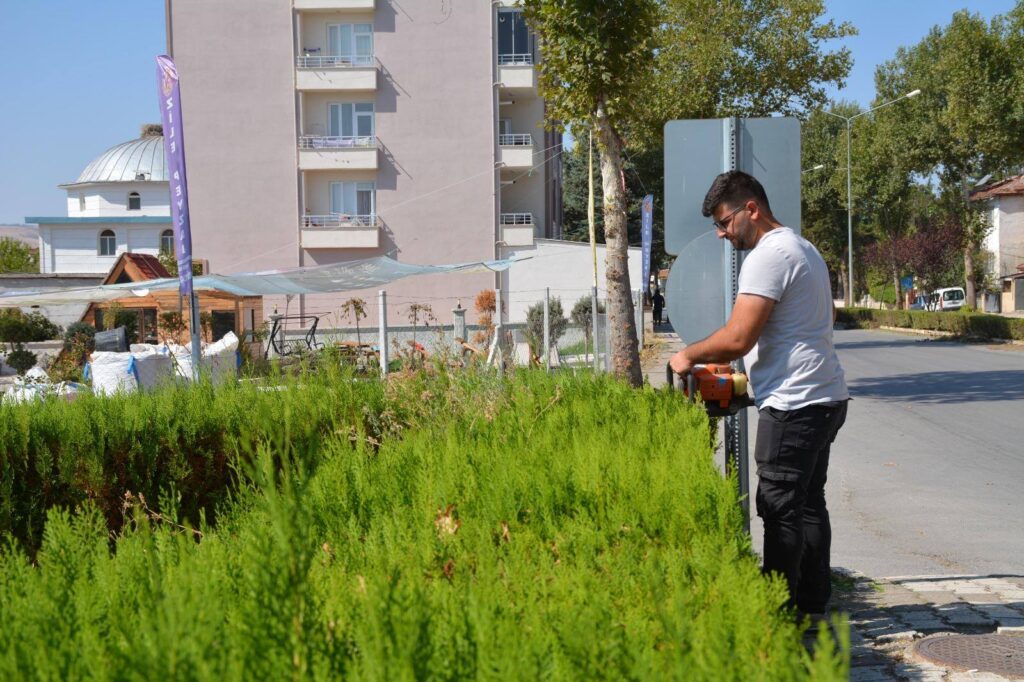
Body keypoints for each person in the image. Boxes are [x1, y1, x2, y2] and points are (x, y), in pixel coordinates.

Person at [669, 170, 849, 618]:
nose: (722, 233)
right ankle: (811, 605)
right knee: (808, 503)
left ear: (752, 209)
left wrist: (687, 356)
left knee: (779, 508)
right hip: (825, 396)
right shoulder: (803, 247)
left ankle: (776, 613)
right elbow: (809, 323)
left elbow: (737, 338)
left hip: (793, 404)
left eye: (726, 222)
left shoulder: (768, 256)